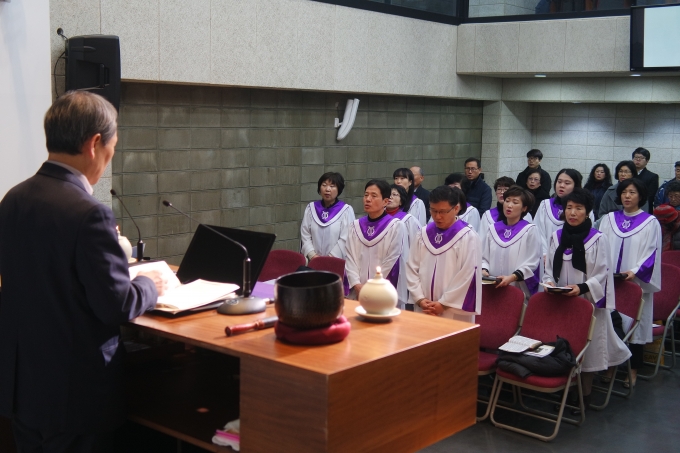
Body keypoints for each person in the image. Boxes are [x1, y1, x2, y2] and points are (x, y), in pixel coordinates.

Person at [0, 91, 167, 452]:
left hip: (22, 390)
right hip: (73, 396)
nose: (109, 158)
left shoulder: (12, 199)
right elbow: (117, 305)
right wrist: (149, 283)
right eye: (112, 148)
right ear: (94, 144)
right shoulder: (89, 213)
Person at [543, 188, 631, 410]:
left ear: (588, 211)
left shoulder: (598, 239)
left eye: (578, 208)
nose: (572, 213)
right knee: (564, 346)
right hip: (562, 303)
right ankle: (565, 390)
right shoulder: (556, 236)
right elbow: (548, 269)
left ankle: (584, 395)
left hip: (589, 303)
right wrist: (550, 283)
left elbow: (603, 273)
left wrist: (582, 288)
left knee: (587, 349)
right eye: (569, 208)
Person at [599, 178, 661, 389]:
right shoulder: (609, 219)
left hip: (635, 284)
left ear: (641, 196)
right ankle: (611, 365)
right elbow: (600, 246)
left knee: (635, 326)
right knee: (611, 324)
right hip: (611, 283)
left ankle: (632, 369)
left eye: (632, 192)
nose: (627, 196)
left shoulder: (650, 222)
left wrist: (634, 271)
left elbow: (652, 253)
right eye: (624, 192)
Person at [406, 186, 482, 323]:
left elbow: (467, 274)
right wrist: (419, 298)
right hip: (424, 307)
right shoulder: (423, 234)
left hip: (453, 310)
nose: (437, 216)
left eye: (442, 211)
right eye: (433, 210)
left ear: (456, 208)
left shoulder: (467, 236)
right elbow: (411, 267)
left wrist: (444, 304)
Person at [346, 180, 406, 299]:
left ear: (385, 201)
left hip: (381, 290)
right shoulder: (355, 226)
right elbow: (350, 258)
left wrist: (372, 286)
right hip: (357, 290)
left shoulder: (395, 226)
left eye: (374, 196)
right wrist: (356, 284)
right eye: (366, 195)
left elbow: (391, 260)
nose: (368, 199)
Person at [481, 186, 541, 299]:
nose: (509, 205)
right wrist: (484, 270)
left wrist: (512, 277)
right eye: (507, 201)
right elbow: (484, 257)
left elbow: (533, 261)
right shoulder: (493, 229)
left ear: (524, 208)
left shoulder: (529, 230)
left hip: (517, 287)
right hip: (492, 287)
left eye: (515, 202)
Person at [534, 169, 594, 258]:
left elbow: (588, 233)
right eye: (559, 182)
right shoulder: (545, 205)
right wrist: (545, 254)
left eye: (567, 183)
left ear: (576, 186)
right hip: (545, 258)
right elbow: (538, 231)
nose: (561, 185)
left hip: (574, 257)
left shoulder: (584, 209)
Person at [300, 172, 355, 261]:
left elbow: (346, 238)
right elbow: (305, 234)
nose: (327, 189)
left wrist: (329, 259)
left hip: (335, 262)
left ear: (339, 189)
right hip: (313, 261)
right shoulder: (311, 208)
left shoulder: (346, 211)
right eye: (324, 185)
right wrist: (313, 255)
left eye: (332, 186)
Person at [386, 184, 421, 309]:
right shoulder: (378, 220)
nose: (390, 197)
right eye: (388, 194)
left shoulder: (408, 220)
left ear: (401, 201)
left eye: (395, 195)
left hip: (401, 265)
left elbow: (416, 245)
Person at [478, 176, 518, 247]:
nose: (502, 192)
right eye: (499, 189)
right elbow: (481, 239)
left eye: (506, 189)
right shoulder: (488, 215)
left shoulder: (521, 214)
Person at [653, 181, 680, 251]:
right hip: (664, 245)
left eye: (676, 196)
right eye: (670, 196)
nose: (673, 199)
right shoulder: (663, 209)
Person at [632, 147, 658, 214]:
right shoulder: (628, 175)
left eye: (641, 158)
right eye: (636, 157)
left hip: (644, 209)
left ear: (647, 161)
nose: (638, 160)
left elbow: (650, 197)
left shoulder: (652, 176)